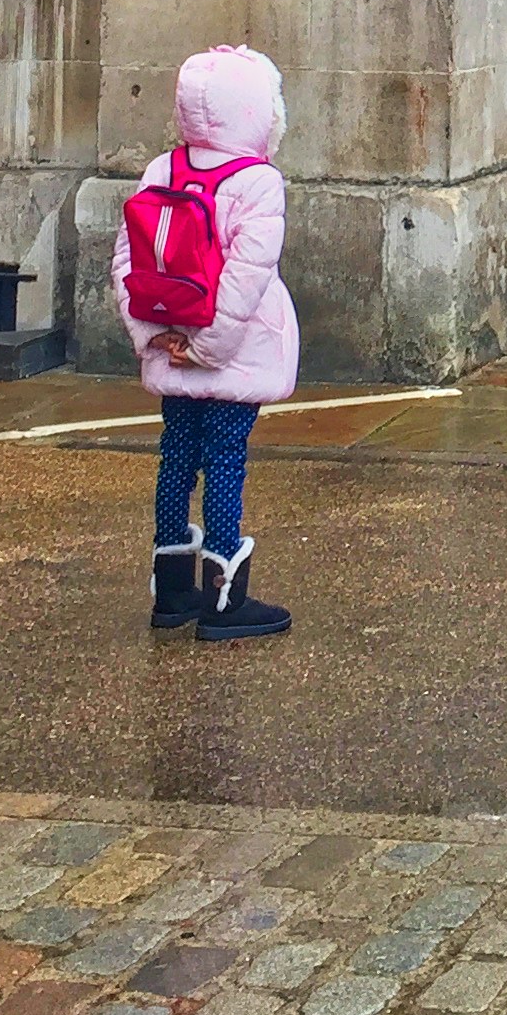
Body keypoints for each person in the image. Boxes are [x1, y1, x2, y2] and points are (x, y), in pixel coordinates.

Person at [113, 43, 298, 642]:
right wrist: (209, 349)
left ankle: (172, 592)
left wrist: (153, 336)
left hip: (170, 340)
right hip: (230, 354)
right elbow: (246, 280)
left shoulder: (161, 170)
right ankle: (224, 596)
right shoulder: (259, 182)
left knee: (176, 457)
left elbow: (128, 261)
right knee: (224, 461)